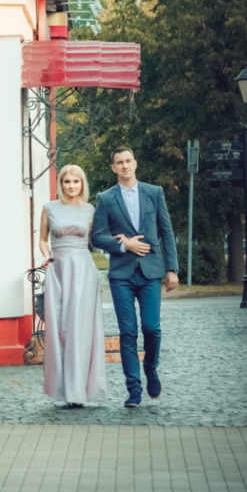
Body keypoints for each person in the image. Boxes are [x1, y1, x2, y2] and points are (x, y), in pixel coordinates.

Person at [89, 146, 179, 408]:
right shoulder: (105, 198)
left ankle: (151, 368)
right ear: (113, 167)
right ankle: (134, 390)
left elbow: (166, 231)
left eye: (128, 161)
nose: (125, 165)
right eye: (119, 162)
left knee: (151, 327)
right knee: (127, 332)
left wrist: (171, 270)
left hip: (151, 272)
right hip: (121, 275)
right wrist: (124, 245)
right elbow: (97, 236)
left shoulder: (154, 192)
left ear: (135, 164)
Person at [39, 164, 107, 407]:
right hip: (58, 269)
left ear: (82, 184)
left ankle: (78, 391)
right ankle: (64, 388)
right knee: (62, 329)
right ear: (61, 184)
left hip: (84, 271)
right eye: (67, 181)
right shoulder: (49, 208)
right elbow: (42, 239)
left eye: (75, 181)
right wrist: (46, 256)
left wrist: (120, 240)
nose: (71, 186)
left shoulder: (90, 210)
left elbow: (98, 238)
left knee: (80, 328)